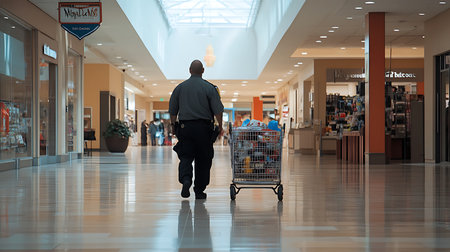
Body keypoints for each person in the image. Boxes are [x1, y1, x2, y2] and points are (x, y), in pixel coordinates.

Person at [169, 60, 224, 199]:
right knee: (204, 159)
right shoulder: (209, 88)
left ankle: (186, 179)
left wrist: (173, 126)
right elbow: (218, 110)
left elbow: (173, 110)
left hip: (185, 128)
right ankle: (199, 190)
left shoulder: (180, 88)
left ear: (189, 70)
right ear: (203, 70)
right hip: (204, 129)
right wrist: (221, 126)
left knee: (186, 156)